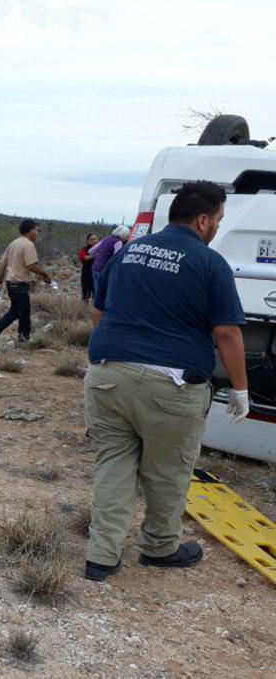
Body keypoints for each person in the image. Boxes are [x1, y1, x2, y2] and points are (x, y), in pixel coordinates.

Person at [83, 181, 248, 582]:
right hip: (170, 386)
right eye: (219, 220)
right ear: (203, 219)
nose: (217, 229)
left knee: (114, 466)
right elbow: (227, 333)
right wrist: (241, 390)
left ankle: (101, 557)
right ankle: (159, 547)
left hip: (106, 375)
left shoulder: (129, 252)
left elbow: (98, 313)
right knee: (168, 471)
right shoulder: (209, 263)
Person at [0, 220, 52, 345]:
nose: (37, 233)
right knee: (19, 311)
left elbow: (3, 264)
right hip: (19, 283)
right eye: (36, 230)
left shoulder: (13, 243)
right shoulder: (28, 245)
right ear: (30, 230)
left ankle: (23, 337)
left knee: (22, 311)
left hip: (11, 283)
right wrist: (45, 275)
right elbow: (31, 265)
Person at [89, 225, 131, 293]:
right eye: (127, 236)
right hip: (104, 270)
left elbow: (90, 251)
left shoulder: (106, 238)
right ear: (123, 235)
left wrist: (99, 255)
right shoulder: (118, 242)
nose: (127, 238)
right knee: (105, 293)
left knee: (98, 293)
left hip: (95, 268)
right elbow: (117, 257)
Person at [78, 233, 99, 301]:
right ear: (87, 241)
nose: (94, 241)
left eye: (95, 239)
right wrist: (95, 255)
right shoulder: (84, 249)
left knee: (96, 294)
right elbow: (83, 257)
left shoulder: (101, 249)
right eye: (91, 239)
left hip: (97, 275)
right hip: (86, 275)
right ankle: (84, 309)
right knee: (85, 294)